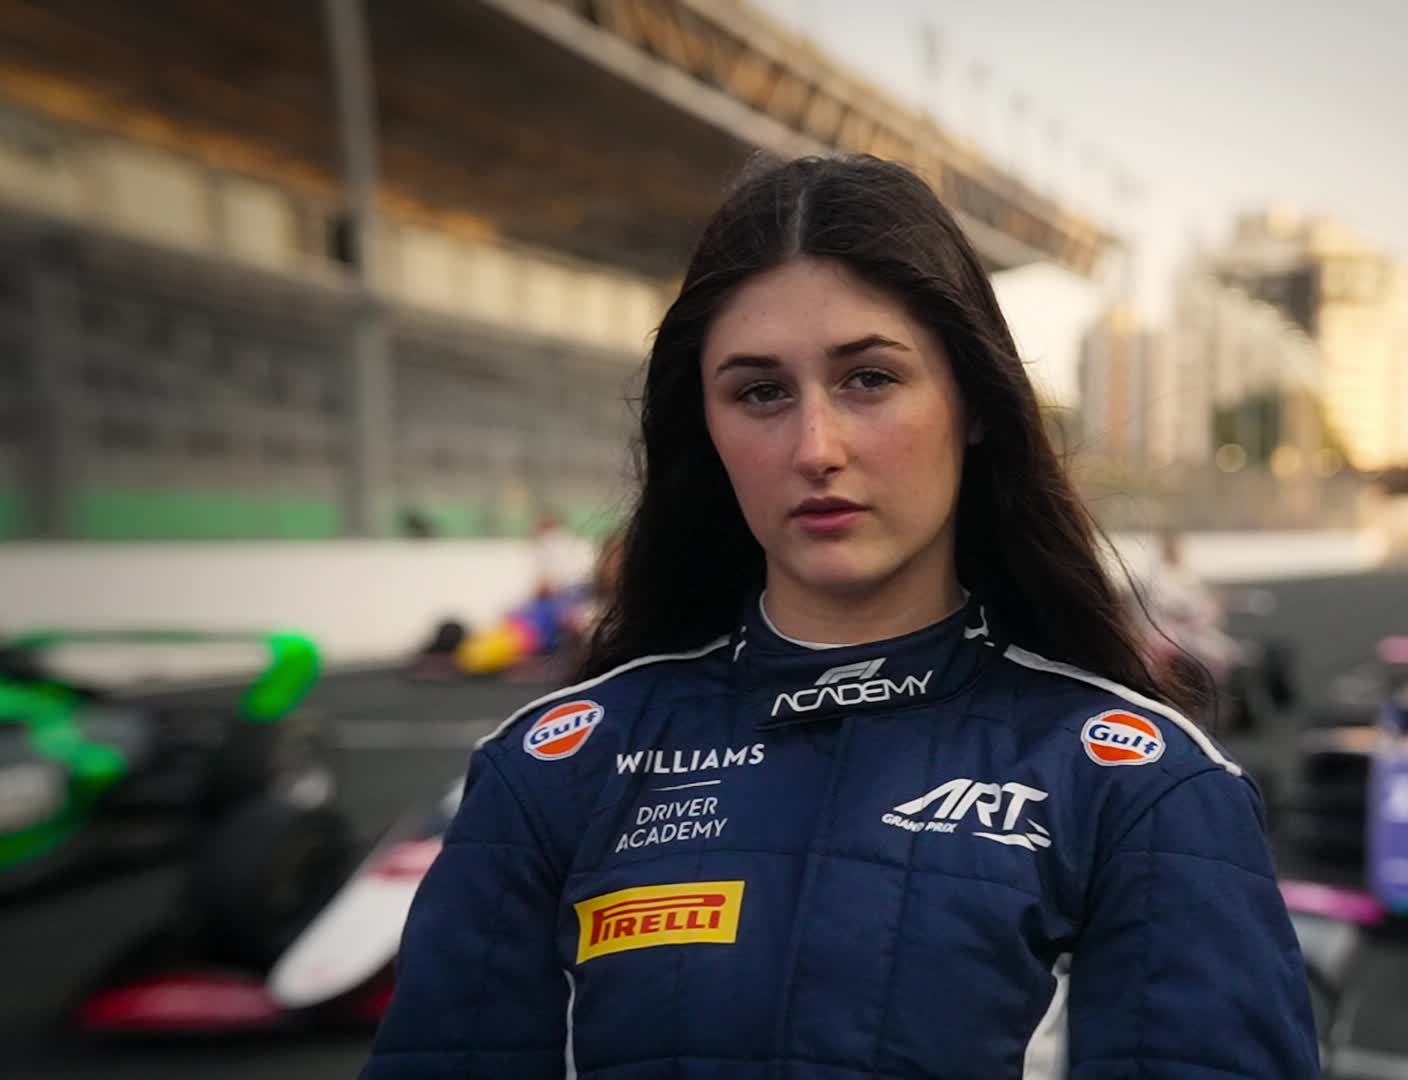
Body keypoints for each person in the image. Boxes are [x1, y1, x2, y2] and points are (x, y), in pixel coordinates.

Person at [364, 156, 1319, 1078]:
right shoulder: (553, 770)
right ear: (705, 427)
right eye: (760, 392)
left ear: (974, 403)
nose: (815, 447)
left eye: (869, 378)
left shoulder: (1141, 786)